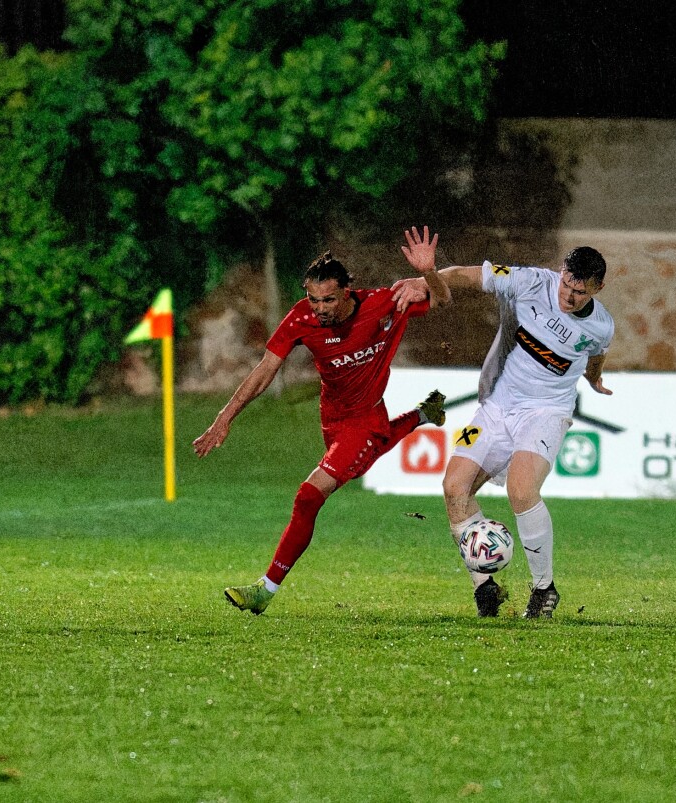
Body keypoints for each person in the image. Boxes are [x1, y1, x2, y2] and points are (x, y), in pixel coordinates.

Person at [194, 226, 450, 615]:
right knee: (366, 455)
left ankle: (265, 589)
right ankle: (420, 414)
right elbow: (265, 370)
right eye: (314, 300)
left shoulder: (386, 303)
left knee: (310, 495)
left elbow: (443, 299)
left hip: (364, 418)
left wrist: (429, 273)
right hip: (331, 417)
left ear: (347, 291)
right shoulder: (301, 318)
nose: (321, 308)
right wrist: (223, 418)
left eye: (328, 300)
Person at [393, 246, 614, 619]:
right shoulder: (529, 282)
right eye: (566, 285)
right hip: (495, 407)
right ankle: (485, 589)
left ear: (598, 288)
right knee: (454, 488)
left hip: (547, 412)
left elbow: (596, 353)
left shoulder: (601, 325)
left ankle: (544, 589)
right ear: (560, 271)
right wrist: (425, 277)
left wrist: (593, 379)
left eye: (581, 292)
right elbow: (469, 274)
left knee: (522, 489)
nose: (569, 297)